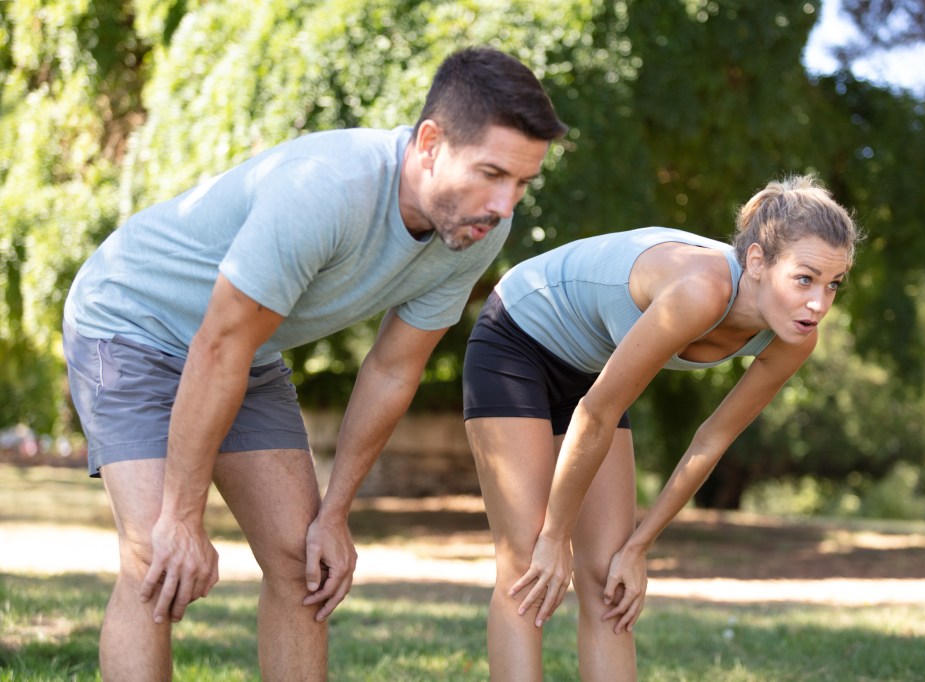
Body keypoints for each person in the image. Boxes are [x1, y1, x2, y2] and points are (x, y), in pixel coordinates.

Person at [61, 46, 567, 681]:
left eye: (522, 183)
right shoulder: (326, 189)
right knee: (155, 556)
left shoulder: (474, 230)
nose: (504, 204)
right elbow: (218, 343)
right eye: (492, 173)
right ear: (431, 143)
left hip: (243, 348)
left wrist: (334, 514)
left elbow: (392, 370)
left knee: (305, 564)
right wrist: (182, 514)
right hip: (131, 322)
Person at [463, 175, 863, 681]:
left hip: (593, 372)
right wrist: (554, 534)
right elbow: (596, 414)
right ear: (758, 262)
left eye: (832, 284)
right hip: (517, 339)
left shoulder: (796, 337)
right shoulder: (698, 292)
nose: (818, 304)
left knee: (611, 581)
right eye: (804, 279)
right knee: (527, 565)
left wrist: (638, 547)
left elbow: (711, 439)